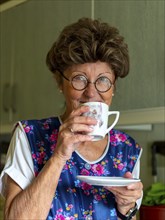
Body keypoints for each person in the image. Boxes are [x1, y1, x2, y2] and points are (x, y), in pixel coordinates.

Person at [0, 18, 143, 220]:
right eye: (79, 79)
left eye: (103, 80)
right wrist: (58, 157)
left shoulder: (127, 149)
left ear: (113, 87)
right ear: (60, 82)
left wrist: (127, 208)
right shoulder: (30, 136)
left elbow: (129, 216)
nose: (91, 92)